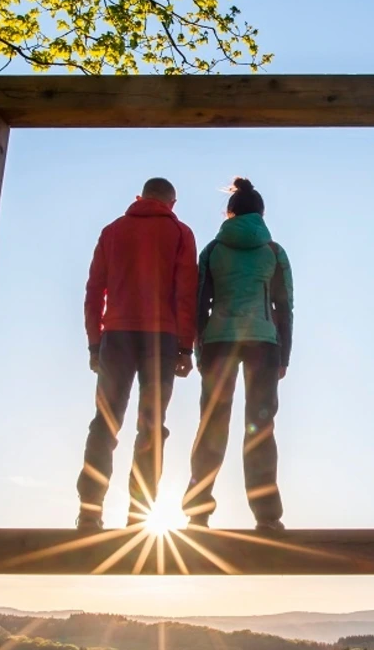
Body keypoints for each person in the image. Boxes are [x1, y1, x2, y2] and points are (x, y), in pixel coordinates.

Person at [76, 178, 197, 531]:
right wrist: (185, 346)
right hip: (162, 338)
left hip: (116, 336)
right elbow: (186, 291)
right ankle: (137, 516)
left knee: (104, 423)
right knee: (152, 427)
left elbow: (94, 290)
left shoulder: (112, 231)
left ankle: (89, 512)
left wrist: (94, 342)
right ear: (172, 203)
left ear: (140, 197)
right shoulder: (180, 233)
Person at [182, 177, 294, 532]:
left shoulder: (213, 250)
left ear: (229, 213)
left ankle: (197, 513)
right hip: (264, 342)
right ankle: (267, 517)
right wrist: (284, 356)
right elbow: (284, 307)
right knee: (260, 428)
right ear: (261, 214)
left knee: (211, 425)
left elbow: (199, 303)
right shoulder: (273, 251)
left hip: (219, 341)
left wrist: (199, 349)